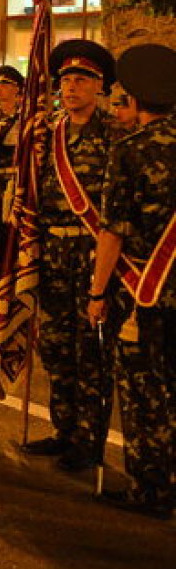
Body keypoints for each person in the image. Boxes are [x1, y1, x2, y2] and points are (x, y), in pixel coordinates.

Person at [88, 43, 176, 519]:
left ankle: (151, 488)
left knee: (143, 391)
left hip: (145, 290)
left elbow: (112, 231)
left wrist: (98, 291)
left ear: (139, 100)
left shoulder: (129, 151)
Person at [25, 41, 119, 472]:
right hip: (53, 252)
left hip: (90, 253)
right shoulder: (49, 134)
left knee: (90, 354)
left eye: (82, 80)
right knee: (56, 347)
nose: (71, 87)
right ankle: (63, 429)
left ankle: (89, 440)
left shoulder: (116, 135)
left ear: (100, 87)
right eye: (65, 80)